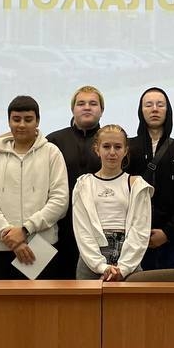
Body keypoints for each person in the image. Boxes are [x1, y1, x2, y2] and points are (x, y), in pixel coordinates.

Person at [0, 95, 69, 279]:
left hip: (41, 247)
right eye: (16, 119)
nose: (21, 125)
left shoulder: (52, 153)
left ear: (37, 121)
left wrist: (25, 229)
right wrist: (11, 237)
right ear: (9, 121)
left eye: (28, 119)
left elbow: (60, 201)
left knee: (39, 299)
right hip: (1, 247)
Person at [128, 87, 174, 270]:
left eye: (160, 105)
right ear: (141, 110)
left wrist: (168, 232)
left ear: (168, 110)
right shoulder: (127, 148)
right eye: (148, 105)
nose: (155, 109)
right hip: (133, 242)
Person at [71, 125, 153, 280]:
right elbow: (82, 230)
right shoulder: (83, 184)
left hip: (129, 259)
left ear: (126, 151)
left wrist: (123, 268)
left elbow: (140, 230)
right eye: (106, 146)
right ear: (97, 150)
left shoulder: (137, 185)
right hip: (91, 260)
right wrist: (101, 266)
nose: (112, 152)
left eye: (118, 147)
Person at [46, 86, 104, 278]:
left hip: (99, 228)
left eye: (93, 103)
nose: (87, 107)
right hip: (58, 227)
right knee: (52, 283)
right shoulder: (53, 141)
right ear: (72, 109)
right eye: (81, 103)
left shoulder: (111, 141)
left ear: (101, 110)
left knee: (93, 284)